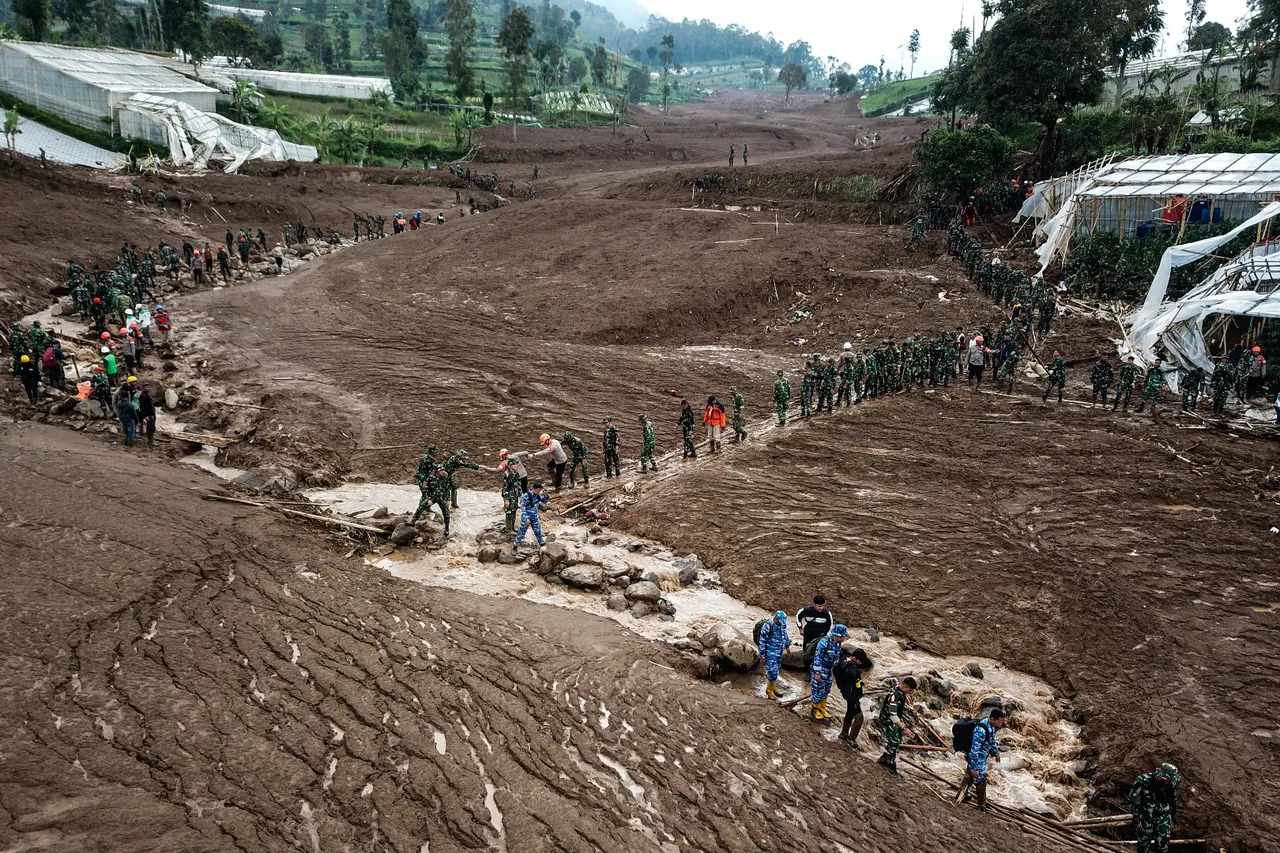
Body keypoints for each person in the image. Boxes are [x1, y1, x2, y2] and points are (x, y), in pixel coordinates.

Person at [957, 707, 1005, 808]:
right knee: (980, 780)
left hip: (982, 756)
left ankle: (961, 795)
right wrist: (975, 767)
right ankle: (982, 804)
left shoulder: (991, 726)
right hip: (977, 758)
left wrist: (996, 753)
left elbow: (992, 740)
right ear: (992, 719)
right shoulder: (981, 731)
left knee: (969, 776)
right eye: (999, 722)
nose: (1000, 725)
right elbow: (974, 750)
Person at [1129, 763, 1180, 853]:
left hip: (1163, 818)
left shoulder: (1171, 784)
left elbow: (1173, 800)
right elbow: (1133, 797)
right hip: (1146, 817)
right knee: (1143, 844)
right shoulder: (1143, 780)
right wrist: (1135, 815)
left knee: (1163, 845)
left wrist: (1174, 817)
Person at [876, 676, 918, 774]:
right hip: (888, 720)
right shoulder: (895, 696)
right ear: (906, 688)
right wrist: (904, 728)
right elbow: (893, 715)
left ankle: (884, 757)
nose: (911, 693)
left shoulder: (898, 689)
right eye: (911, 691)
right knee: (894, 741)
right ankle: (891, 764)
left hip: (893, 719)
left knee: (896, 739)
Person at [808, 624, 847, 723]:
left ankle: (822, 708)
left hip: (829, 671)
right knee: (818, 690)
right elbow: (817, 657)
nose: (843, 639)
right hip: (820, 670)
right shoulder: (824, 642)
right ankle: (814, 710)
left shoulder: (837, 644)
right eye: (842, 637)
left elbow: (836, 657)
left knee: (826, 690)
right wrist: (817, 672)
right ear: (836, 635)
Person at [835, 647, 874, 745]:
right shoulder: (847, 665)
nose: (860, 663)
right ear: (855, 658)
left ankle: (844, 734)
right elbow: (851, 674)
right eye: (859, 661)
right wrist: (852, 663)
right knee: (859, 717)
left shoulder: (849, 662)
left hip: (851, 692)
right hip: (850, 693)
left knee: (850, 712)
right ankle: (851, 739)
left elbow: (867, 664)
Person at [756, 610, 789, 699]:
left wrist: (787, 645)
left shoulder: (782, 624)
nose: (781, 624)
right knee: (772, 671)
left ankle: (773, 687)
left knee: (777, 670)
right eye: (780, 621)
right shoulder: (768, 626)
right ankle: (769, 690)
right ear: (776, 618)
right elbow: (762, 641)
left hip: (779, 651)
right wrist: (762, 656)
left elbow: (785, 634)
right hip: (770, 652)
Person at [795, 595, 834, 669]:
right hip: (808, 635)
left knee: (819, 653)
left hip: (821, 636)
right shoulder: (806, 611)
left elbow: (831, 625)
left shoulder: (827, 613)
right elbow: (798, 616)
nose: (821, 608)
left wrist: (827, 637)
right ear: (814, 604)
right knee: (807, 652)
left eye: (822, 606)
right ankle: (807, 671)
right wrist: (800, 628)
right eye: (819, 606)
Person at [513, 482, 550, 550]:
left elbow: (544, 501)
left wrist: (546, 495)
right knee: (522, 532)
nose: (539, 492)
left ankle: (542, 544)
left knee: (538, 531)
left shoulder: (538, 496)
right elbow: (523, 507)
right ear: (534, 489)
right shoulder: (526, 496)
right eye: (538, 491)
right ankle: (515, 546)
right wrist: (526, 518)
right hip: (527, 516)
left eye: (539, 491)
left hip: (535, 517)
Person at [117, 379, 138, 447]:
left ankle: (126, 443)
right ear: (127, 396)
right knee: (130, 432)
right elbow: (133, 413)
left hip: (122, 419)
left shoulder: (119, 403)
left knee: (126, 432)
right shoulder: (129, 405)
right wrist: (136, 420)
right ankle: (130, 444)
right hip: (129, 420)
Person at [137, 382, 157, 446]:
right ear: (143, 388)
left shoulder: (147, 394)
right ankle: (150, 441)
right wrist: (145, 416)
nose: (148, 388)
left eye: (149, 387)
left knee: (153, 426)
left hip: (152, 412)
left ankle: (151, 440)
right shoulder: (143, 396)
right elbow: (142, 407)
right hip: (148, 414)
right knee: (150, 427)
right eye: (146, 387)